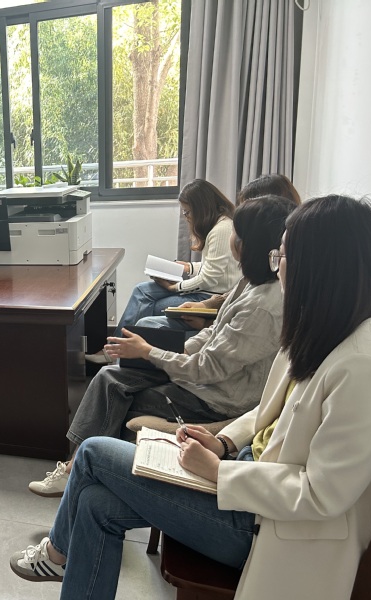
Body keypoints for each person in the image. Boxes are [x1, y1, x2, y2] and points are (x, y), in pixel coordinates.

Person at [11, 195, 371, 600]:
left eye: (283, 256)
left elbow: (320, 494)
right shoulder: (327, 326)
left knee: (92, 453)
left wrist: (218, 472)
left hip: (263, 524)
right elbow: (269, 412)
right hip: (245, 477)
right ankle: (61, 559)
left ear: (319, 269)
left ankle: (56, 554)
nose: (278, 266)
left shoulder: (363, 367)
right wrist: (223, 442)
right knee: (94, 503)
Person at [28, 195, 295, 499]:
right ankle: (78, 467)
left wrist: (149, 352)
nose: (231, 238)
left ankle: (79, 471)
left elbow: (207, 369)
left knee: (114, 394)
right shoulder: (251, 282)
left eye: (237, 232)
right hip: (207, 381)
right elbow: (214, 333)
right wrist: (175, 350)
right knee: (111, 375)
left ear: (249, 243)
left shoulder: (262, 307)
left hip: (216, 399)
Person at [86, 179, 241, 364]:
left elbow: (210, 278)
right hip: (208, 289)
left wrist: (176, 287)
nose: (186, 216)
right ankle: (115, 349)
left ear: (201, 208)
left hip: (209, 295)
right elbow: (214, 266)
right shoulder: (219, 226)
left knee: (147, 304)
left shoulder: (221, 230)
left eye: (188, 212)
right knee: (141, 290)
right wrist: (188, 267)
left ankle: (116, 352)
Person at [144, 173, 302, 332]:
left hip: (211, 297)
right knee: (144, 294)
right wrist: (205, 302)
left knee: (149, 315)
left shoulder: (273, 281)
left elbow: (224, 336)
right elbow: (235, 292)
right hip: (214, 304)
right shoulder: (263, 265)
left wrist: (179, 289)